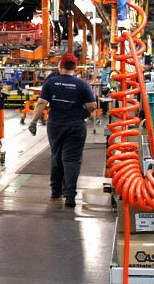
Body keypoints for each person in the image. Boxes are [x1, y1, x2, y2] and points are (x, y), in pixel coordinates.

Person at [28, 52, 96, 208]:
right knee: (71, 159)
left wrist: (33, 122)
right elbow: (92, 106)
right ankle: (70, 196)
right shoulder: (82, 84)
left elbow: (41, 103)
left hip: (55, 124)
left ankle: (55, 191)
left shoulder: (51, 82)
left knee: (56, 155)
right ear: (75, 67)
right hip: (76, 125)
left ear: (60, 65)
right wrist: (83, 114)